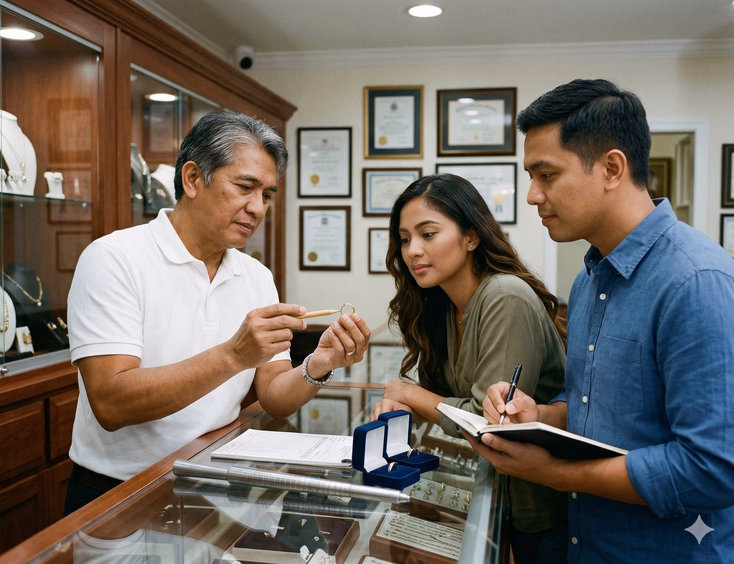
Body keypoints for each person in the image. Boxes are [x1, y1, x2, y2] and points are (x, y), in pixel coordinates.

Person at [474, 78, 734, 562]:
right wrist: (539, 416)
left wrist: (551, 472)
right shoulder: (588, 280)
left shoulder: (697, 281)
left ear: (612, 167)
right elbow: (591, 404)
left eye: (546, 175)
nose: (532, 196)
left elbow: (711, 467)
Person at [65, 111, 370, 514]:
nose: (257, 208)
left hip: (213, 484)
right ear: (192, 179)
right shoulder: (113, 259)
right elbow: (111, 403)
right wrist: (233, 355)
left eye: (267, 195)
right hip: (120, 493)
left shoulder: (255, 276)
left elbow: (274, 395)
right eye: (245, 187)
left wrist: (317, 364)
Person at [370, 174, 568, 563]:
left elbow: (489, 421)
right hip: (499, 490)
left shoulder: (504, 296)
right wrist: (412, 402)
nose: (413, 250)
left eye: (428, 234)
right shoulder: (444, 304)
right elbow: (447, 397)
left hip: (542, 506)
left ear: (471, 237)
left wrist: (408, 393)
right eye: (405, 238)